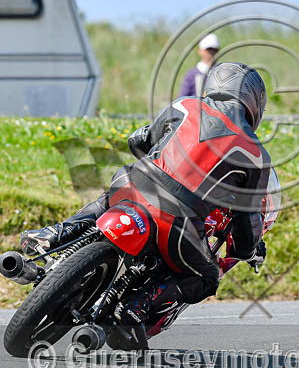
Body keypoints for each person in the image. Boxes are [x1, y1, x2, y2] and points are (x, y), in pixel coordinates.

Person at [20, 62, 271, 339]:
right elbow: (248, 220)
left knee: (106, 201)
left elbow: (140, 139)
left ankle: (53, 234)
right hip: (179, 221)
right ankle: (134, 307)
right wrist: (249, 250)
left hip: (133, 183)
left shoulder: (185, 105)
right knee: (206, 278)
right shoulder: (257, 155)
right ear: (254, 101)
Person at [178, 33, 220, 97]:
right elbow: (182, 98)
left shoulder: (223, 72)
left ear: (218, 51)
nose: (211, 53)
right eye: (208, 50)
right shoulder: (191, 75)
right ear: (200, 51)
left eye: (214, 50)